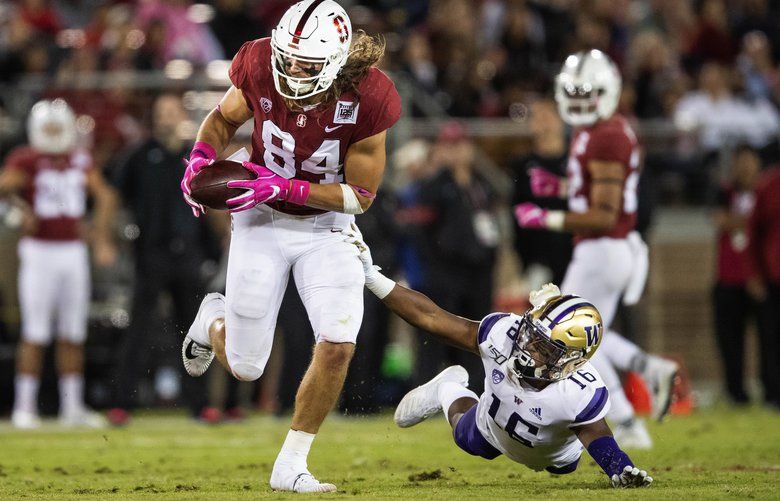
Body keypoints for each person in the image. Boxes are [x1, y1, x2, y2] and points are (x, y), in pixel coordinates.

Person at [178, 0, 401, 492]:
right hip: (259, 219)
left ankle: (291, 465)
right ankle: (211, 316)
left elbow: (360, 197)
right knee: (245, 367)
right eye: (289, 59)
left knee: (340, 340)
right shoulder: (258, 62)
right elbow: (219, 121)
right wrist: (198, 160)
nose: (294, 71)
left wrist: (286, 187)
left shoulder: (372, 96)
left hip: (325, 224)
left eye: (309, 64)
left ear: (339, 62)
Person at [344, 228, 653, 488]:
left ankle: (454, 391)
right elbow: (432, 318)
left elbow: (596, 433)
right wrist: (373, 278)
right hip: (493, 424)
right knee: (469, 440)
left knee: (562, 468)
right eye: (531, 334)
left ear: (571, 362)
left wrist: (619, 468)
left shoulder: (578, 391)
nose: (528, 347)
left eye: (544, 348)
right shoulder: (504, 334)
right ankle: (447, 389)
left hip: (553, 451)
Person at [514, 50, 678, 449]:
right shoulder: (596, 130)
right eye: (573, 91)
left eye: (588, 91)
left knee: (571, 339)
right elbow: (595, 190)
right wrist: (560, 190)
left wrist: (547, 217)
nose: (581, 99)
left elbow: (605, 213)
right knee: (585, 337)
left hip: (604, 246)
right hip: (606, 249)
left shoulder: (607, 136)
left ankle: (626, 422)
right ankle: (648, 368)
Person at [0, 99, 117, 429]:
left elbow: (106, 196)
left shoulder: (80, 158)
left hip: (73, 252)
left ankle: (71, 406)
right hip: (39, 251)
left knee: (73, 331)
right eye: (47, 128)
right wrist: (18, 211)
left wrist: (100, 235)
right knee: (35, 331)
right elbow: (4, 190)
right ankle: (25, 407)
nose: (52, 134)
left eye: (56, 128)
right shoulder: (26, 159)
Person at [107, 93, 224, 426]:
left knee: (195, 331)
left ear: (182, 115)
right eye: (161, 112)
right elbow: (113, 198)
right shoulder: (139, 157)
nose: (166, 118)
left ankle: (200, 404)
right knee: (138, 329)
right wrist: (107, 238)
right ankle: (121, 403)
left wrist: (223, 238)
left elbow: (213, 203)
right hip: (151, 254)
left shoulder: (195, 157)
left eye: (171, 112)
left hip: (189, 254)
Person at [406, 122, 500, 394]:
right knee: (435, 337)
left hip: (478, 272)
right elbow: (420, 232)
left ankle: (479, 393)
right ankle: (423, 393)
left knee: (479, 336)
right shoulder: (432, 187)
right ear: (440, 150)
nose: (457, 151)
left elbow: (492, 228)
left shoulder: (481, 186)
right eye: (450, 145)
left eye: (460, 145)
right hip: (444, 274)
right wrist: (432, 269)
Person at [712, 145, 761, 404]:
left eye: (749, 162)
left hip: (760, 279)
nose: (745, 167)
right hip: (728, 280)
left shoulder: (766, 191)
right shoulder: (724, 192)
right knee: (730, 341)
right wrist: (752, 220)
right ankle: (736, 393)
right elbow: (719, 220)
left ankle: (772, 392)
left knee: (769, 339)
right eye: (740, 162)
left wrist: (738, 220)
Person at [510, 99, 572, 286]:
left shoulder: (577, 160)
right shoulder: (523, 165)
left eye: (548, 116)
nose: (544, 123)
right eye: (537, 118)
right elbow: (517, 213)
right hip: (539, 256)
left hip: (574, 252)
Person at [746, 163, 780, 409]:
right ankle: (773, 394)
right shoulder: (768, 185)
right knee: (771, 339)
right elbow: (753, 231)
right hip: (773, 277)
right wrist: (754, 273)